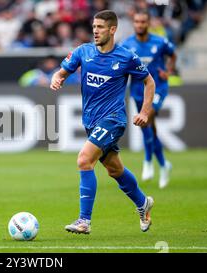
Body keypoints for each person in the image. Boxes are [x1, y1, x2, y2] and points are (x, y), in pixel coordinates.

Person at [50, 10, 156, 234]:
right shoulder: (83, 51)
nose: (95, 31)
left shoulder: (126, 57)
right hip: (91, 121)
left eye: (100, 27)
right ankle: (142, 203)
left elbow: (149, 82)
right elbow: (60, 73)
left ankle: (84, 221)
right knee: (114, 169)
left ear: (112, 30)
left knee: (84, 159)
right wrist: (57, 78)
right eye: (94, 27)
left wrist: (145, 112)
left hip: (113, 119)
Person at [121, 10, 177, 189]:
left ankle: (147, 161)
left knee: (147, 118)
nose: (140, 25)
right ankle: (163, 164)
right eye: (137, 22)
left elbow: (173, 54)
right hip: (138, 90)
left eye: (143, 22)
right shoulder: (127, 44)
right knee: (150, 128)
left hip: (158, 87)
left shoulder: (159, 42)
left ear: (148, 23)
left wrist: (168, 71)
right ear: (133, 23)